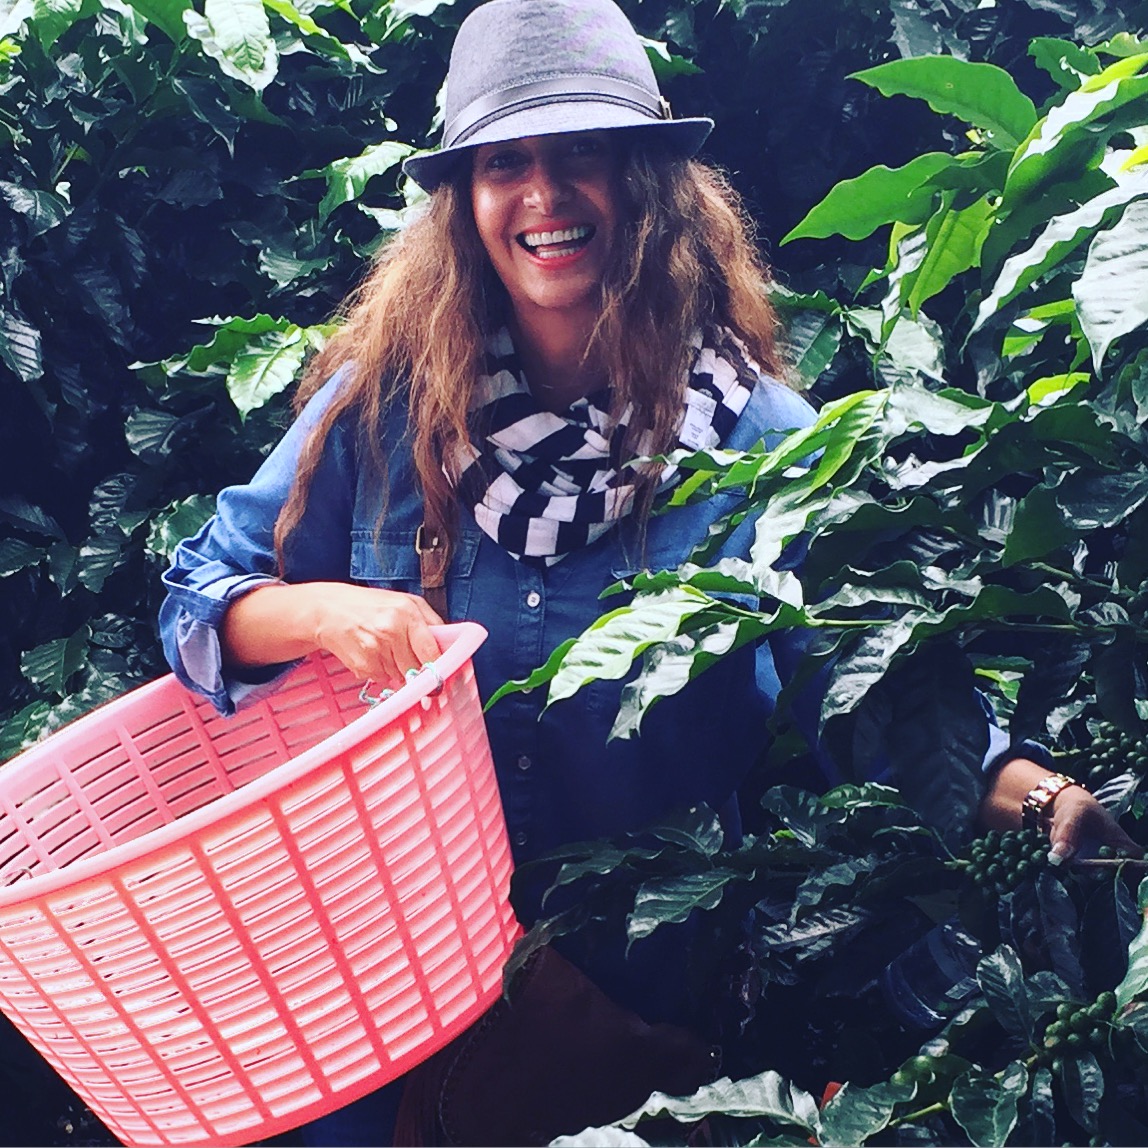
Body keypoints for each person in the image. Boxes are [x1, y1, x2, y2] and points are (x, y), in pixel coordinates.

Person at [158, 0, 1138, 1141]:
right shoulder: (385, 408)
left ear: (648, 185)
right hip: (380, 996)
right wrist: (317, 609)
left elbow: (864, 691)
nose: (541, 195)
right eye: (504, 163)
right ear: (463, 205)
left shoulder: (763, 440)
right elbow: (197, 597)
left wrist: (1044, 801)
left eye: (579, 154)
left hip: (621, 1010)